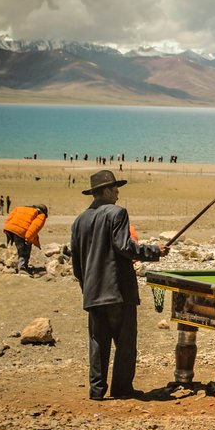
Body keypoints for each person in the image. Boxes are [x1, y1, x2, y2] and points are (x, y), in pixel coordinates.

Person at [71, 170, 167, 401]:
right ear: (105, 190)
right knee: (125, 344)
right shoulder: (117, 213)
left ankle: (97, 390)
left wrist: (87, 288)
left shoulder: (79, 220)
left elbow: (77, 263)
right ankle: (122, 389)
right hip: (117, 291)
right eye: (114, 188)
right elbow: (124, 247)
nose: (117, 192)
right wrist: (154, 251)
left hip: (93, 293)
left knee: (98, 342)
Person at [3, 203, 49, 273]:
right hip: (21, 232)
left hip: (10, 229)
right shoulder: (41, 215)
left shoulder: (20, 208)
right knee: (24, 250)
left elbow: (10, 217)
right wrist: (28, 238)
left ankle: (11, 265)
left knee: (17, 248)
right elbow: (35, 227)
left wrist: (7, 229)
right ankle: (22, 268)